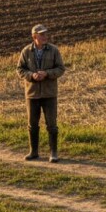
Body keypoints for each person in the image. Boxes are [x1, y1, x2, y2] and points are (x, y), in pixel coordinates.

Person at [16, 24, 66, 163]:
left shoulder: (54, 50)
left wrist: (47, 74)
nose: (45, 37)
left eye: (45, 34)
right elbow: (20, 69)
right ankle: (33, 152)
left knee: (52, 125)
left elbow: (61, 68)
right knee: (32, 124)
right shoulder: (26, 51)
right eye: (42, 34)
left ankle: (53, 153)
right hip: (32, 94)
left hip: (49, 94)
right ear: (34, 36)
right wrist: (31, 76)